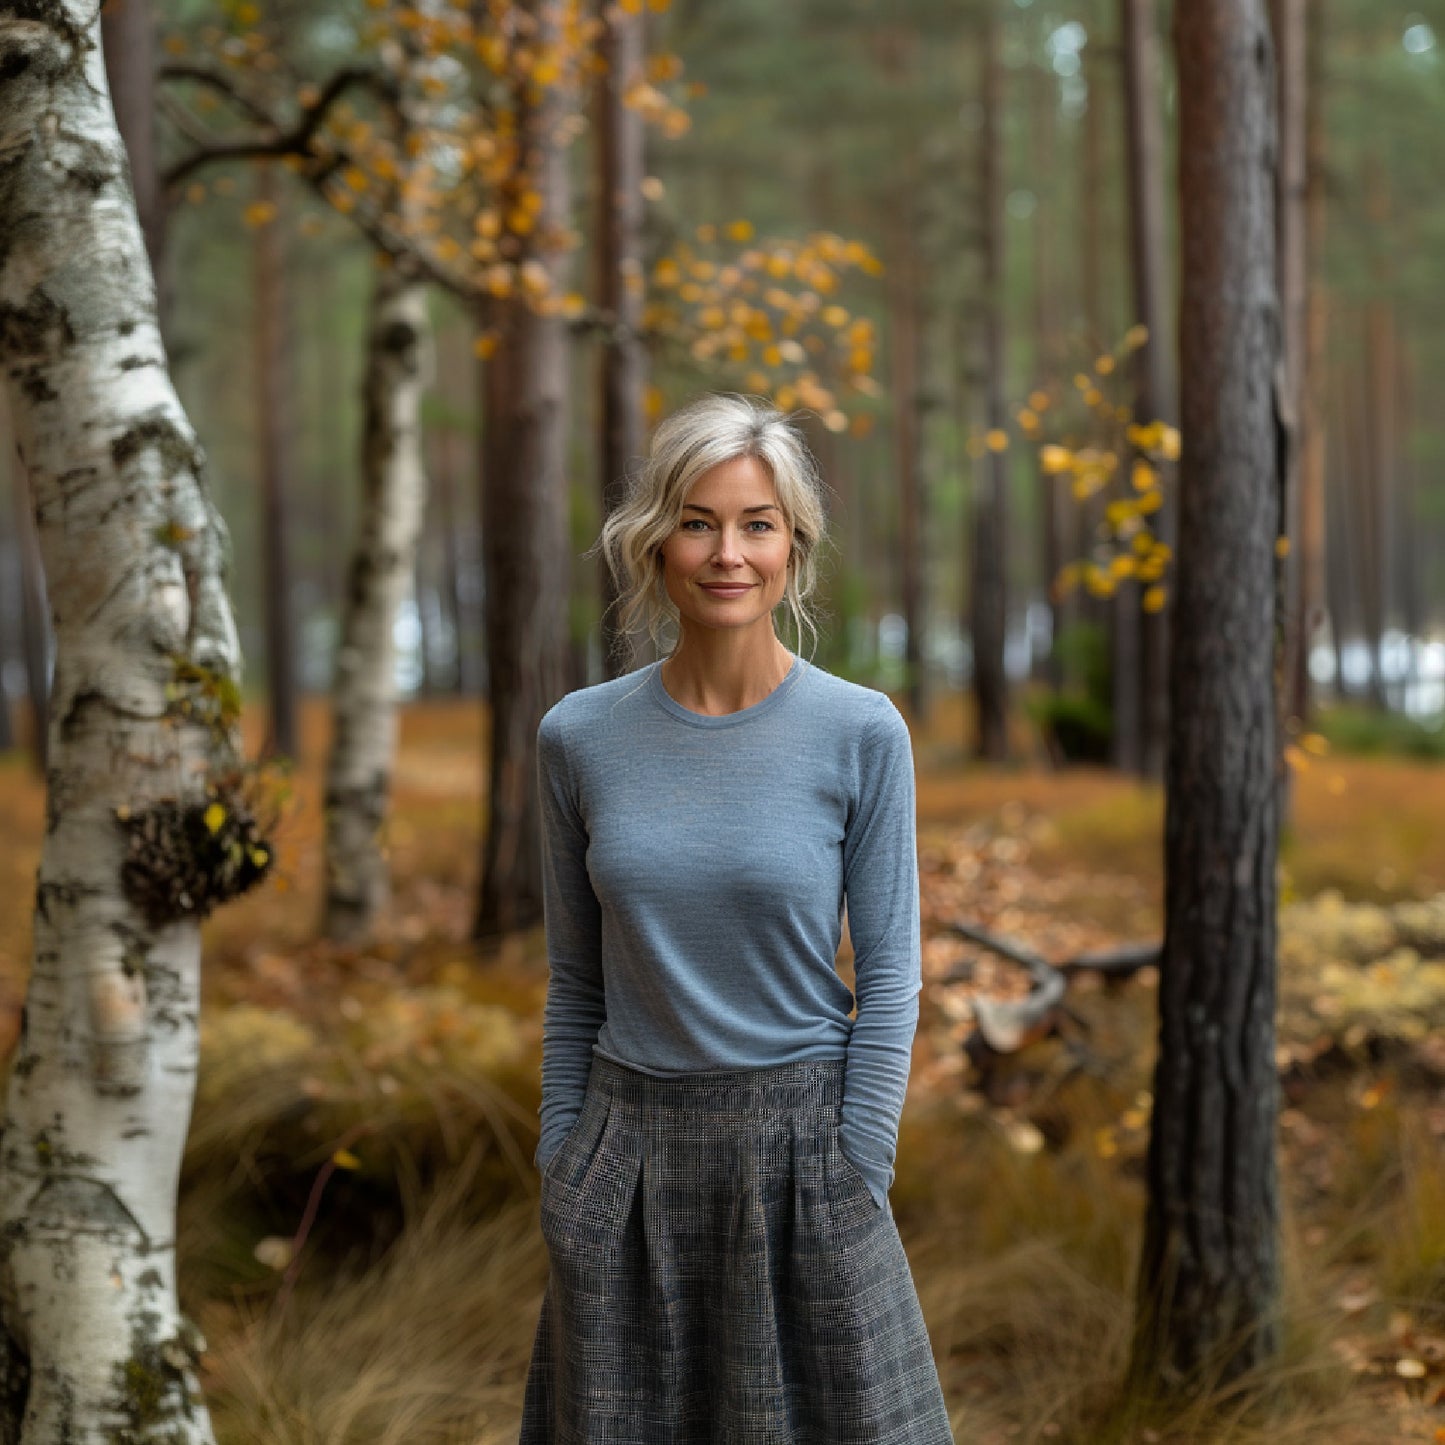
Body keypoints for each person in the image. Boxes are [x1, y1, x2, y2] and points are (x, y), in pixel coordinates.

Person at [519, 393, 953, 1443]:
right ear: (654, 540)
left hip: (805, 1153)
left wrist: (858, 1159)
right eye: (698, 520)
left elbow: (892, 971)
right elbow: (575, 976)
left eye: (756, 523)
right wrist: (562, 1158)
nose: (727, 552)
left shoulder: (859, 730)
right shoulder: (578, 736)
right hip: (625, 1161)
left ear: (792, 548)